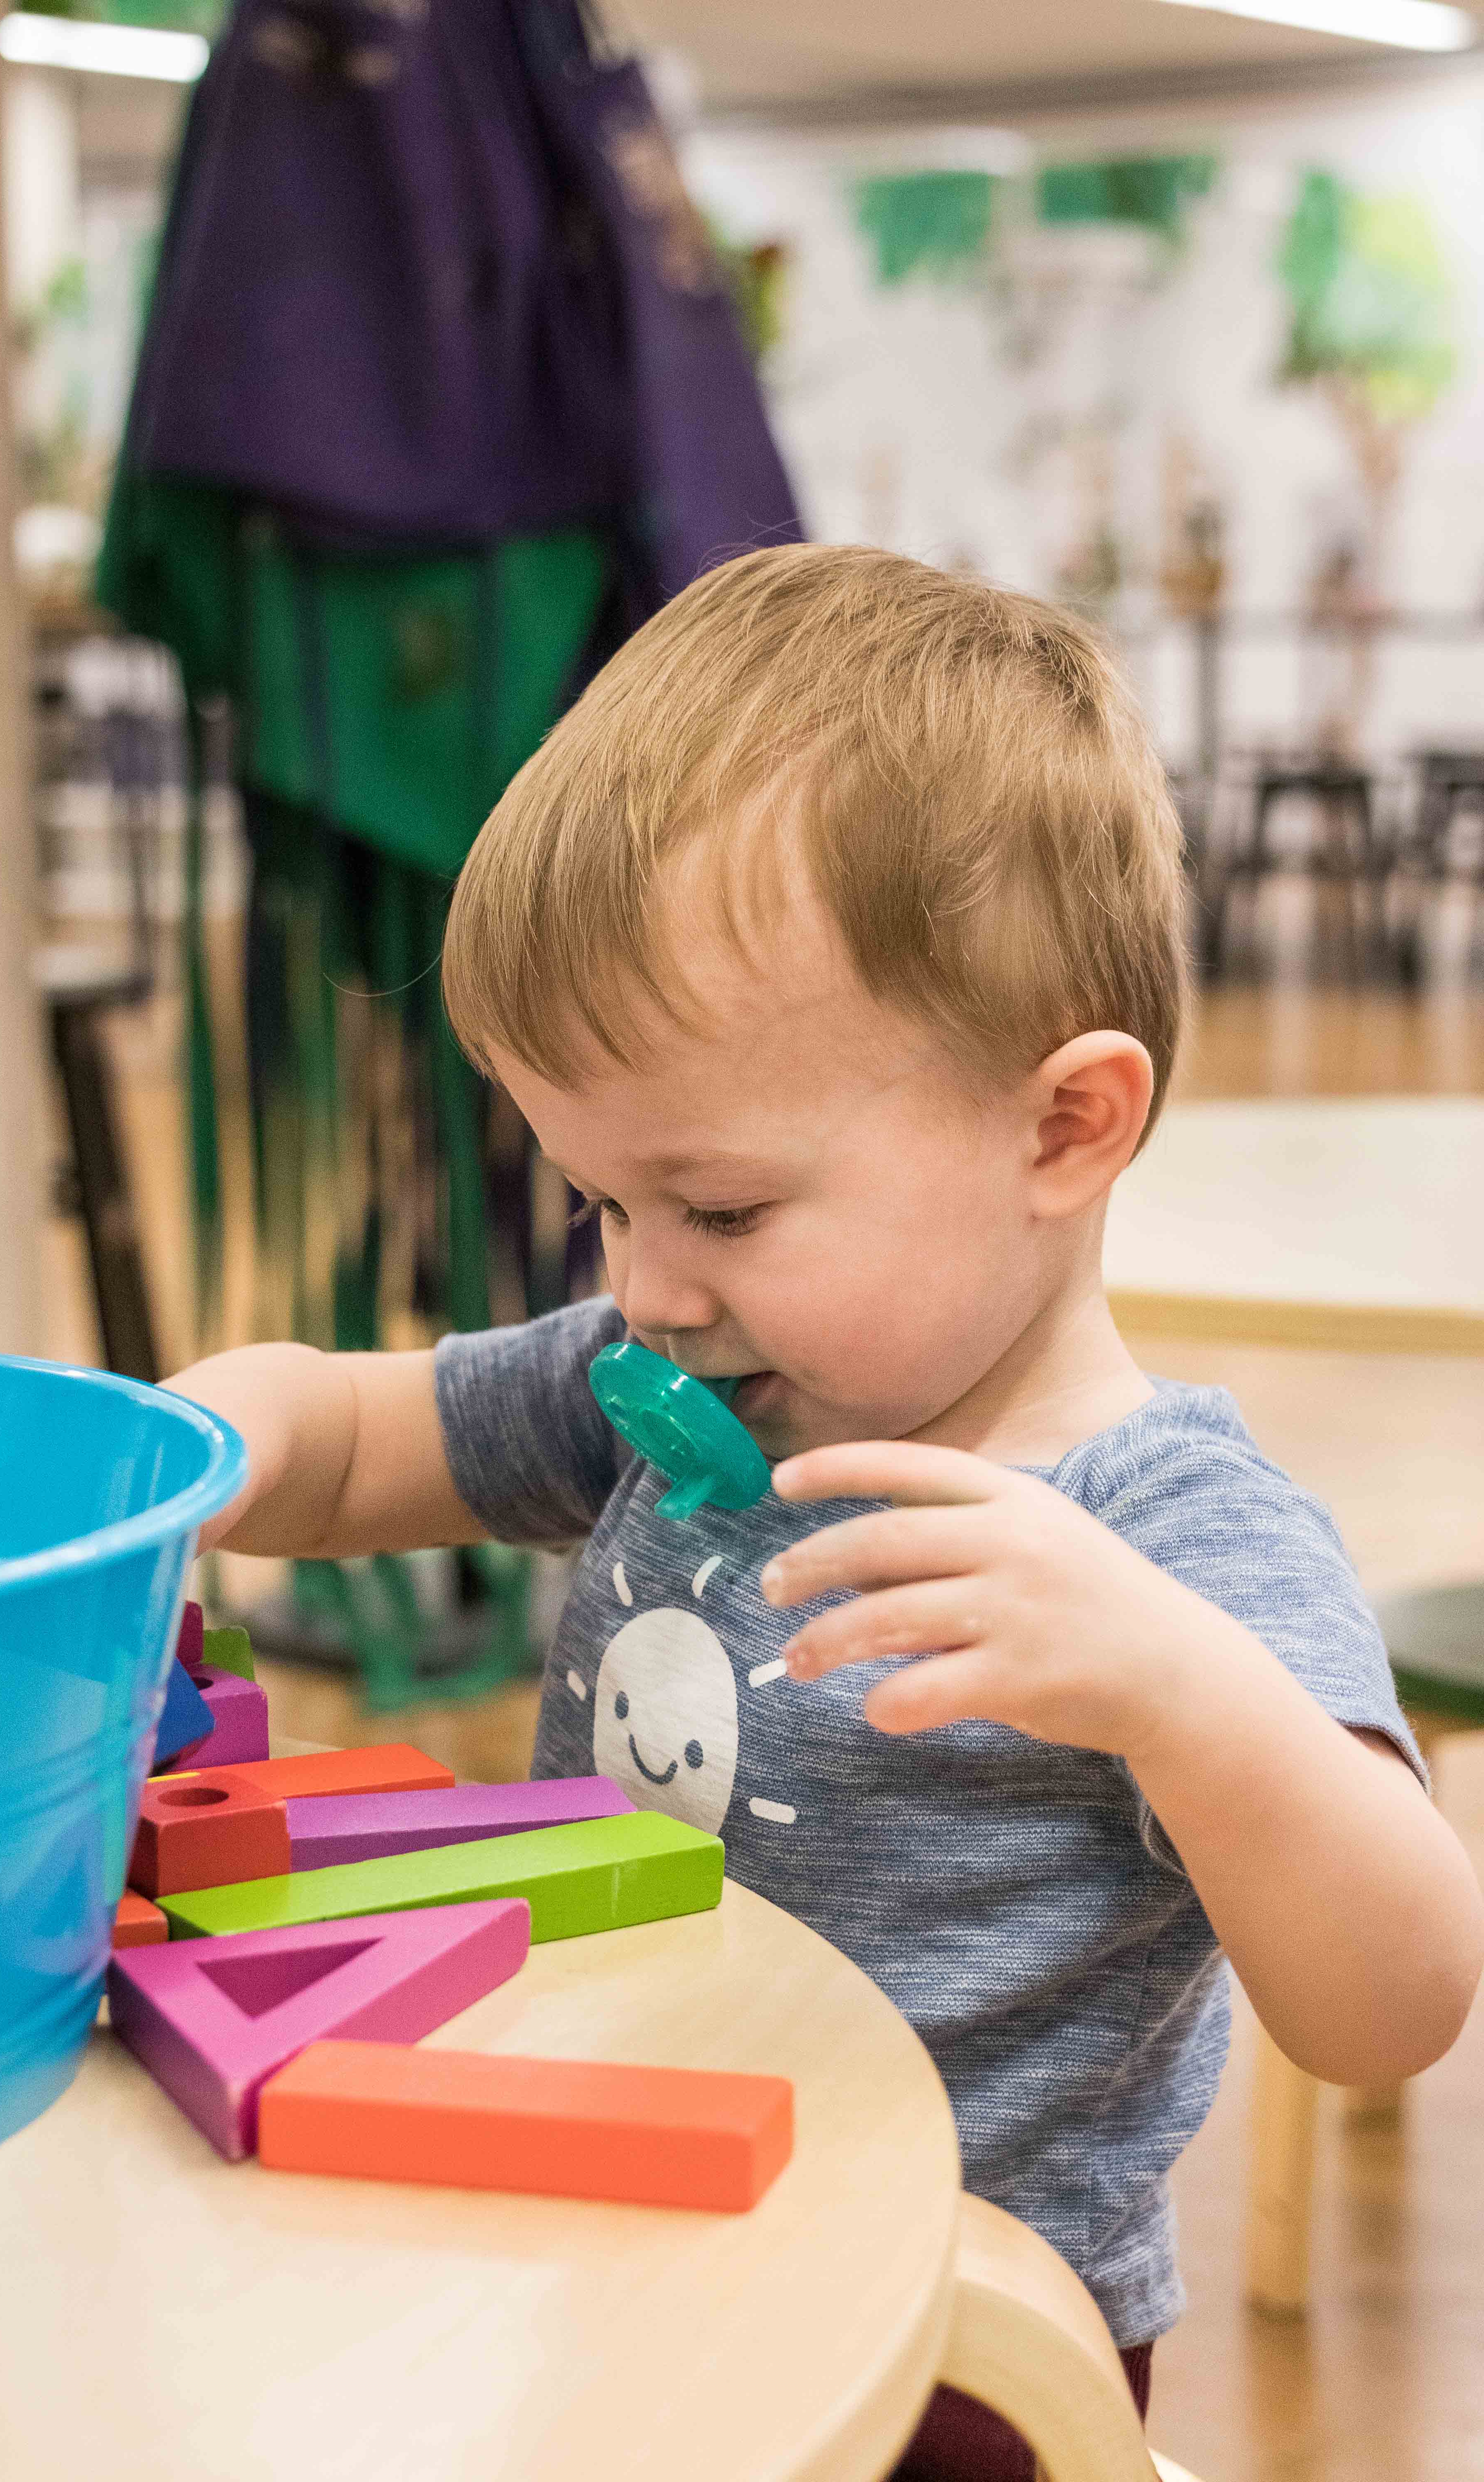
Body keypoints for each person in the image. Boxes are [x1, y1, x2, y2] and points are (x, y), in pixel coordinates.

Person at [169, 547, 1484, 2478]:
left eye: (718, 1208)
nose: (649, 1288)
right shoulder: (683, 1378)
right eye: (602, 1203)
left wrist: (1177, 1697)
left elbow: (1393, 1999)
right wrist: (215, 1437)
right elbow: (374, 1441)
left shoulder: (1160, 1537)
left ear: (1062, 1128)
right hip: (602, 2228)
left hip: (941, 2361)